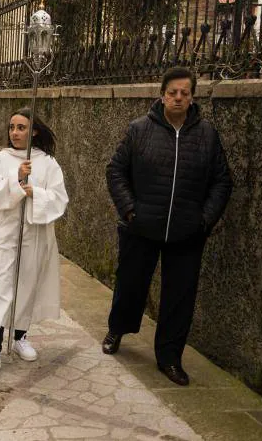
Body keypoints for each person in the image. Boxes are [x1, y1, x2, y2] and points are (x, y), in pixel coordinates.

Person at [102, 67, 232, 386]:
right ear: (162, 94)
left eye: (184, 93)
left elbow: (222, 181)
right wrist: (131, 211)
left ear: (192, 97)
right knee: (130, 285)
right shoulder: (139, 129)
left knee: (179, 297)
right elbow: (115, 171)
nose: (177, 98)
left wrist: (204, 220)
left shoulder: (207, 135)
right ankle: (117, 329)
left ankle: (170, 357)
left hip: (187, 233)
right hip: (141, 227)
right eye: (172, 92)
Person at [0, 108, 68, 368]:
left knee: (26, 284)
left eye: (21, 127)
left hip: (34, 234)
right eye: (12, 127)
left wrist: (34, 192)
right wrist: (16, 181)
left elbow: (59, 199)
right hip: (6, 232)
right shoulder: (1, 159)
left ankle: (20, 336)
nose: (14, 132)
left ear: (34, 131)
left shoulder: (48, 163)